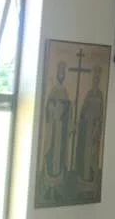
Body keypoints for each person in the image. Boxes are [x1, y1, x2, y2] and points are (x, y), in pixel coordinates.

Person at [41, 61, 71, 200]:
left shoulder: (65, 91)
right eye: (59, 72)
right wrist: (53, 108)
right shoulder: (53, 90)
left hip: (61, 131)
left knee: (59, 158)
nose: (61, 75)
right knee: (50, 154)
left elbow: (68, 111)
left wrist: (66, 109)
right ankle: (48, 187)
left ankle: (57, 188)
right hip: (53, 130)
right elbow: (48, 109)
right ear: (57, 74)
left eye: (63, 73)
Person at [74, 66, 105, 184]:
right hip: (86, 127)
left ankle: (91, 178)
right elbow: (83, 109)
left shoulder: (100, 95)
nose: (95, 80)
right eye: (94, 78)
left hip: (94, 128)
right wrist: (82, 118)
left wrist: (97, 126)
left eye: (97, 77)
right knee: (85, 153)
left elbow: (100, 113)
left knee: (92, 153)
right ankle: (83, 176)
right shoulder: (89, 93)